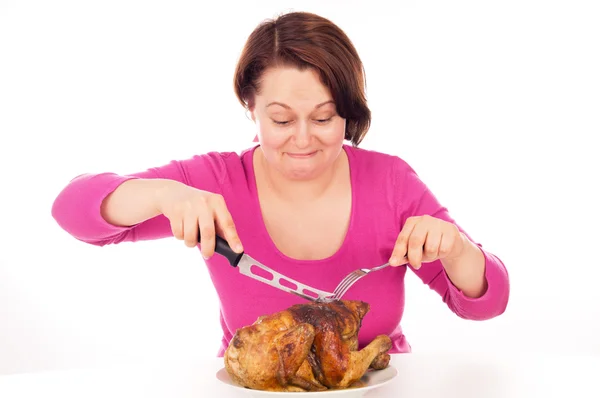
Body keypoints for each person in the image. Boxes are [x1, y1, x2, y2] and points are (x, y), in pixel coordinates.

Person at [51, 11, 509, 356]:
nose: (304, 140)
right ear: (250, 106)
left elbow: (487, 302)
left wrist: (455, 249)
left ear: (348, 111)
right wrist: (163, 193)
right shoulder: (217, 181)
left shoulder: (390, 182)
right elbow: (73, 212)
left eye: (324, 117)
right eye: (282, 119)